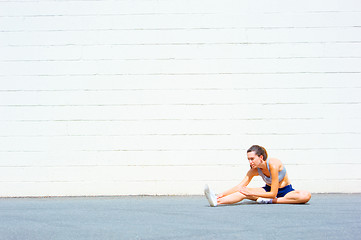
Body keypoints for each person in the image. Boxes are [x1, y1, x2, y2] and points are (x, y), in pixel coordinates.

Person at [204, 145, 311, 207]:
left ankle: (268, 201)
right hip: (267, 191)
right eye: (248, 159)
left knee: (305, 196)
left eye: (252, 159)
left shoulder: (273, 164)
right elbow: (240, 187)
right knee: (242, 192)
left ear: (260, 157)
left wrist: (250, 192)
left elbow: (273, 193)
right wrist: (220, 195)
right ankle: (217, 202)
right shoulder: (254, 170)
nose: (250, 162)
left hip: (285, 192)